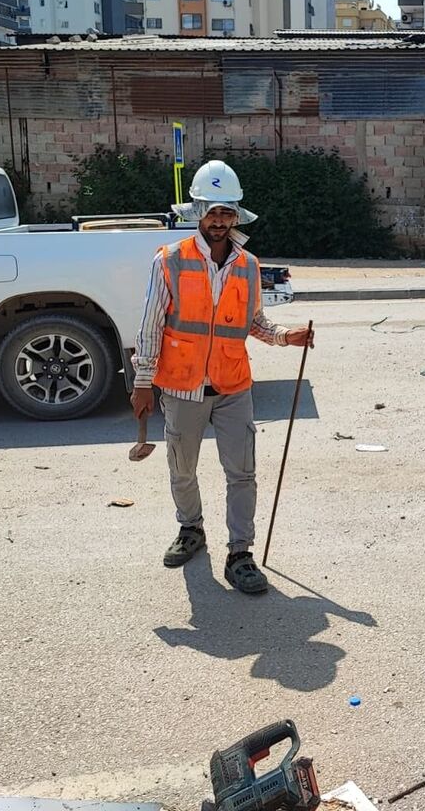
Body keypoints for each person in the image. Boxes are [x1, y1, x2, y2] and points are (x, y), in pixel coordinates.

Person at [131, 160, 314, 595]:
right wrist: (142, 382)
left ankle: (240, 554)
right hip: (181, 386)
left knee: (242, 473)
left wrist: (288, 336)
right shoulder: (170, 261)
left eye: (226, 213)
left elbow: (254, 323)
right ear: (197, 212)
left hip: (233, 386)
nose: (218, 221)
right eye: (212, 212)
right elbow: (151, 325)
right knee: (183, 469)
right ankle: (191, 530)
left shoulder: (248, 265)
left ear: (236, 215)